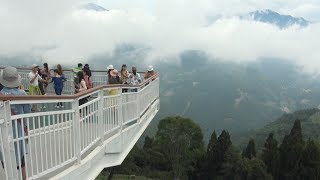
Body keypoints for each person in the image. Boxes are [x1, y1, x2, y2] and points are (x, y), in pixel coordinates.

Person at [0, 66, 31, 180]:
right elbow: (27, 110)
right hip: (18, 130)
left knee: (5, 157)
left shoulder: (1, 94)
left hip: (3, 132)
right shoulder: (22, 93)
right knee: (21, 157)